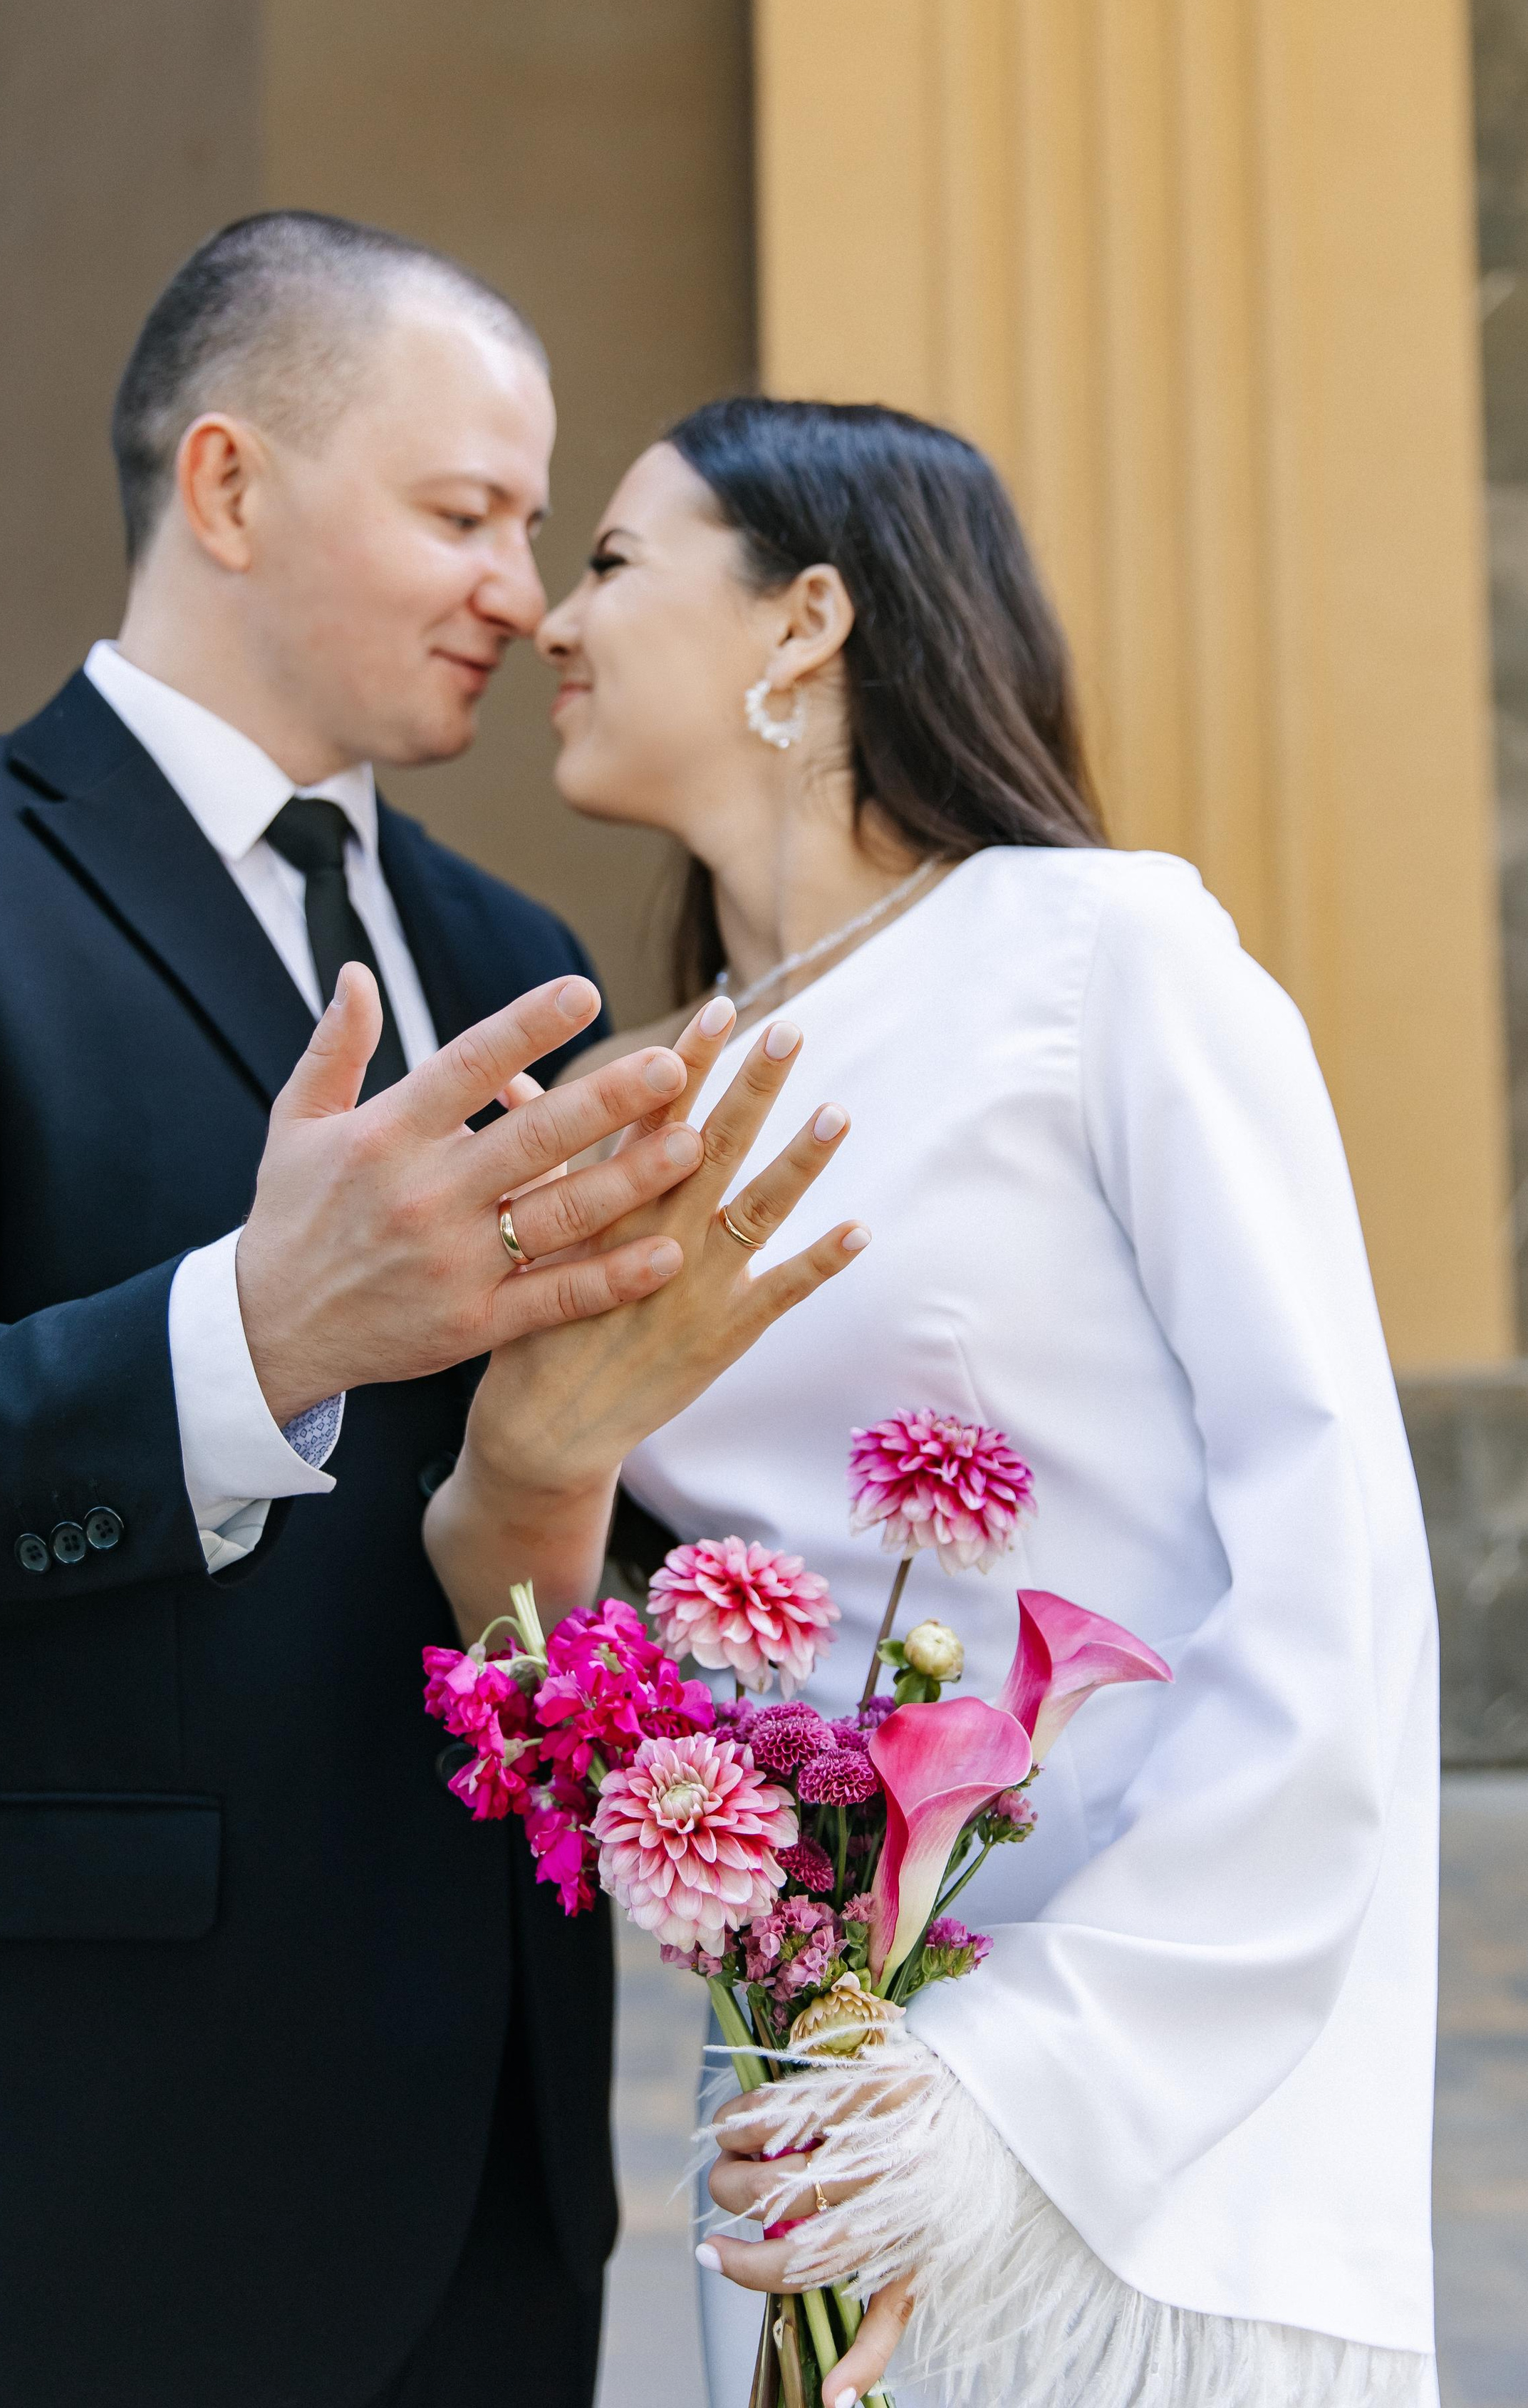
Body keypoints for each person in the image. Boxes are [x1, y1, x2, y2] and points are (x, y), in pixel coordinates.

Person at [0, 215, 859, 2408]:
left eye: (538, 525)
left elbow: (568, 1519)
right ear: (228, 488)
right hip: (62, 2181)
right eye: (463, 514)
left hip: (491, 2185)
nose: (523, 595)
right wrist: (247, 1333)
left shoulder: (518, 948)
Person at [435, 396, 1440, 2407]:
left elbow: (1338, 1564)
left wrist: (1019, 2079)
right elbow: (569, 1646)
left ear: (805, 623)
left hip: (1149, 2093)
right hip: (816, 2075)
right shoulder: (645, 1091)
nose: (555, 614)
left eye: (617, 561)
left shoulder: (1107, 952)